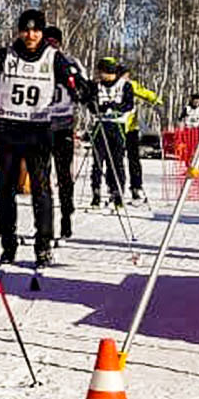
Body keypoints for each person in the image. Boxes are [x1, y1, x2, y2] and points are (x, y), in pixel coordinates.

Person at [0, 9, 87, 267]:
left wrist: (82, 91)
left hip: (37, 132)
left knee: (41, 191)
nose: (30, 35)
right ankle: (8, 245)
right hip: (8, 129)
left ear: (42, 32)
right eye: (26, 30)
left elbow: (72, 80)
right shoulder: (6, 55)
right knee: (5, 191)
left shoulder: (53, 57)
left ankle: (43, 246)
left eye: (36, 30)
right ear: (19, 31)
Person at [43, 26, 85, 241]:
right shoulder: (35, 62)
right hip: (40, 127)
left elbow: (83, 88)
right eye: (47, 41)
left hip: (63, 126)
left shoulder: (71, 62)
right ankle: (44, 224)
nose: (51, 46)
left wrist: (82, 91)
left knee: (63, 175)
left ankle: (66, 215)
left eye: (54, 42)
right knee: (41, 176)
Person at [114, 63, 164, 202]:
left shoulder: (132, 85)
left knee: (133, 159)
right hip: (116, 126)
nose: (126, 78)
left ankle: (136, 187)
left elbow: (144, 92)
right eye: (124, 75)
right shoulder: (112, 86)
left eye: (127, 75)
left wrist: (156, 100)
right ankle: (116, 188)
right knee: (116, 159)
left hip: (131, 128)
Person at [88, 58, 134, 208]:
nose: (101, 75)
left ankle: (117, 193)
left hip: (117, 126)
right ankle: (96, 193)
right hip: (100, 126)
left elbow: (129, 105)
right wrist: (98, 107)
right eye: (100, 72)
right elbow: (91, 104)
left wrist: (117, 106)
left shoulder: (125, 85)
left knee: (117, 163)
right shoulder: (96, 85)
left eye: (103, 72)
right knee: (97, 162)